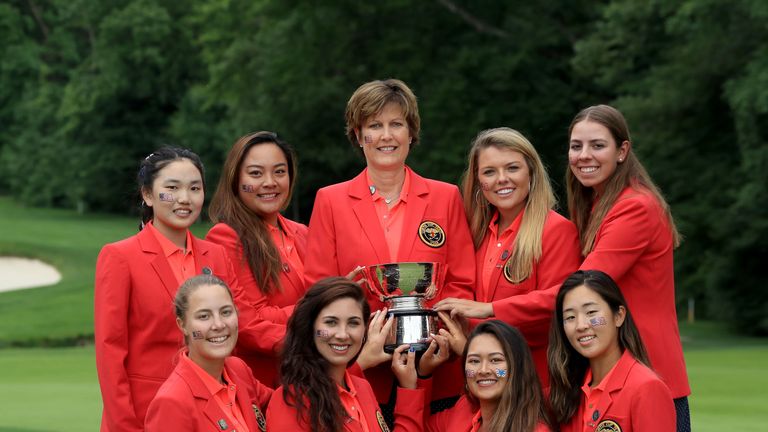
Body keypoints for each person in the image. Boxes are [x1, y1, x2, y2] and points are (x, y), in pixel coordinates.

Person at [303, 78, 475, 408]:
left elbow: (462, 282)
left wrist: (436, 336)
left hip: (435, 371)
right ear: (358, 135)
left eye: (396, 124)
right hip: (363, 369)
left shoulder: (445, 197)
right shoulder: (330, 200)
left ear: (411, 133)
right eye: (374, 125)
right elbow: (318, 288)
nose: (386, 135)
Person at [94, 147, 239, 431]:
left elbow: (231, 339)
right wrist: (125, 426)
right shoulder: (120, 257)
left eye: (194, 188)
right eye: (172, 188)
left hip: (213, 413)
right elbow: (110, 352)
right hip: (145, 413)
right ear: (147, 195)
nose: (185, 199)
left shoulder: (217, 255)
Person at [565, 104, 690, 430]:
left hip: (648, 372)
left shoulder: (635, 206)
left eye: (597, 145)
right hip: (611, 373)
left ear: (622, 151)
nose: (584, 155)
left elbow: (582, 289)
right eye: (576, 146)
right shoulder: (594, 204)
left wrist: (493, 309)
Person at [434, 127, 581, 385]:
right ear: (479, 182)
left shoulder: (557, 230)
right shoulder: (474, 234)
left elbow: (559, 300)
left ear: (531, 173)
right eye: (490, 172)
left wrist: (489, 310)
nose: (502, 179)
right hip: (477, 379)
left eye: (512, 168)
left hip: (532, 380)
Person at [207, 131, 307, 387]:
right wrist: (319, 313)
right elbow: (249, 323)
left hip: (311, 380)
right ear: (235, 179)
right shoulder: (225, 237)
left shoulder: (303, 233)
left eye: (279, 172)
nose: (270, 182)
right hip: (263, 383)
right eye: (255, 173)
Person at [266, 277, 424, 431]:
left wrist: (408, 389)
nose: (342, 334)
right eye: (331, 322)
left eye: (353, 323)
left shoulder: (362, 387)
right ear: (309, 327)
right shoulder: (291, 399)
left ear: (365, 330)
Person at [548, 270, 675, 431]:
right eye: (570, 317)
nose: (581, 325)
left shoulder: (646, 388)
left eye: (591, 312)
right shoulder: (567, 390)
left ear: (619, 316)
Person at [145, 274, 272, 431]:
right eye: (204, 316)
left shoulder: (238, 369)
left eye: (226, 312)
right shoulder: (171, 402)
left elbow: (283, 405)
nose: (218, 325)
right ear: (182, 324)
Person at [421, 319, 551, 432]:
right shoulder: (463, 408)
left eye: (495, 360)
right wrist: (423, 375)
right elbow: (419, 427)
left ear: (518, 368)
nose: (483, 370)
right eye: (474, 361)